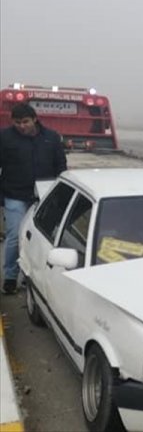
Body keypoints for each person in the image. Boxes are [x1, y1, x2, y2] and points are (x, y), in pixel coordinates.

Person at [0, 103, 67, 294]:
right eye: (17, 123)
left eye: (25, 122)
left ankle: (30, 276)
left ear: (34, 119)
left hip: (44, 197)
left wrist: (61, 195)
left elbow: (61, 166)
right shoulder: (4, 137)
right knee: (15, 236)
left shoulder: (51, 138)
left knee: (39, 238)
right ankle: (10, 277)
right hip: (14, 195)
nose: (22, 126)